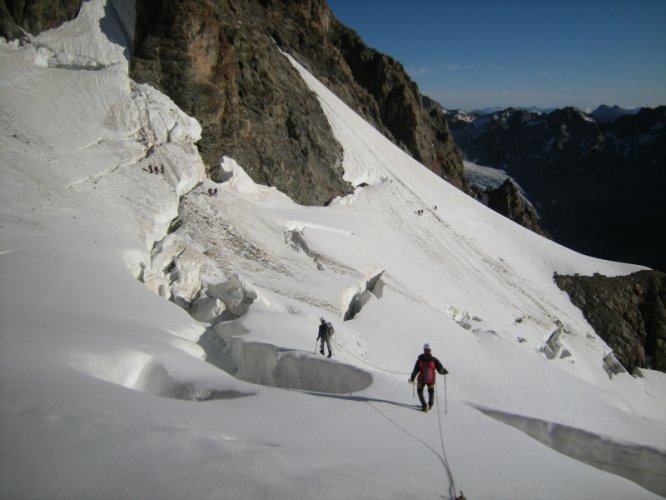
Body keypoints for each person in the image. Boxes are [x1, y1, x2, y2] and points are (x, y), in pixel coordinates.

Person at [409, 343, 448, 412]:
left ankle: (424, 406)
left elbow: (415, 370)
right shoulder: (434, 360)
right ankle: (430, 405)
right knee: (431, 391)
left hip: (421, 379)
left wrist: (412, 378)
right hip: (431, 379)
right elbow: (440, 370)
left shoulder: (420, 360)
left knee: (419, 391)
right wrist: (444, 371)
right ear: (430, 350)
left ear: (424, 350)